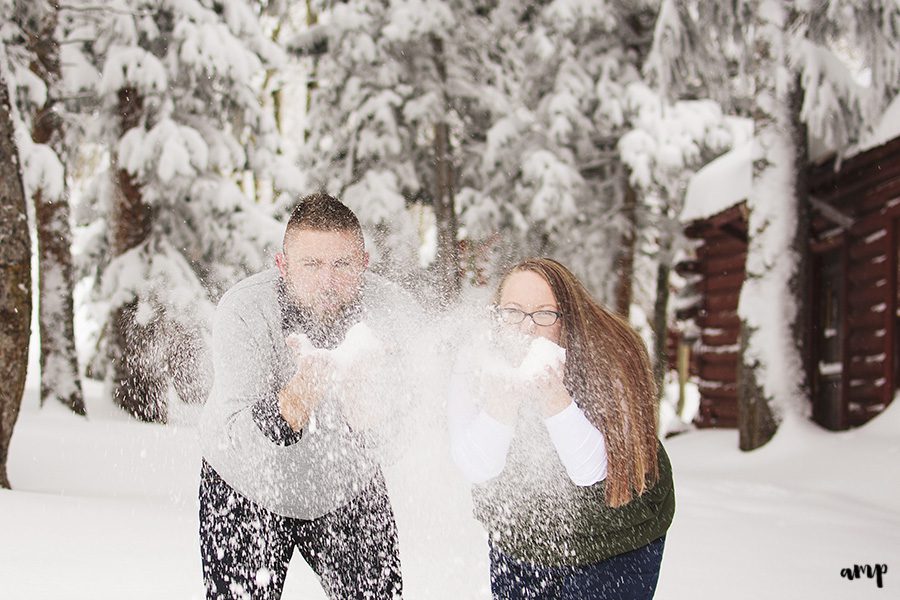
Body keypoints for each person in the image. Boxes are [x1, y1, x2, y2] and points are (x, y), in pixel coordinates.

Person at [198, 193, 407, 599]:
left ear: (364, 263)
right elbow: (234, 436)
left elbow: (410, 431)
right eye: (310, 264)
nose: (327, 282)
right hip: (246, 486)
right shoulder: (243, 310)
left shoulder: (393, 313)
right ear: (283, 265)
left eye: (342, 264)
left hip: (346, 483)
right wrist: (297, 397)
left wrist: (362, 406)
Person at [448, 257, 675, 600]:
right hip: (523, 539)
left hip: (616, 537)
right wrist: (501, 407)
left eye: (543, 313)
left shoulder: (609, 355)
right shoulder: (477, 362)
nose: (527, 328)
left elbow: (591, 471)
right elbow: (476, 466)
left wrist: (555, 398)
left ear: (566, 318)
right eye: (512, 311)